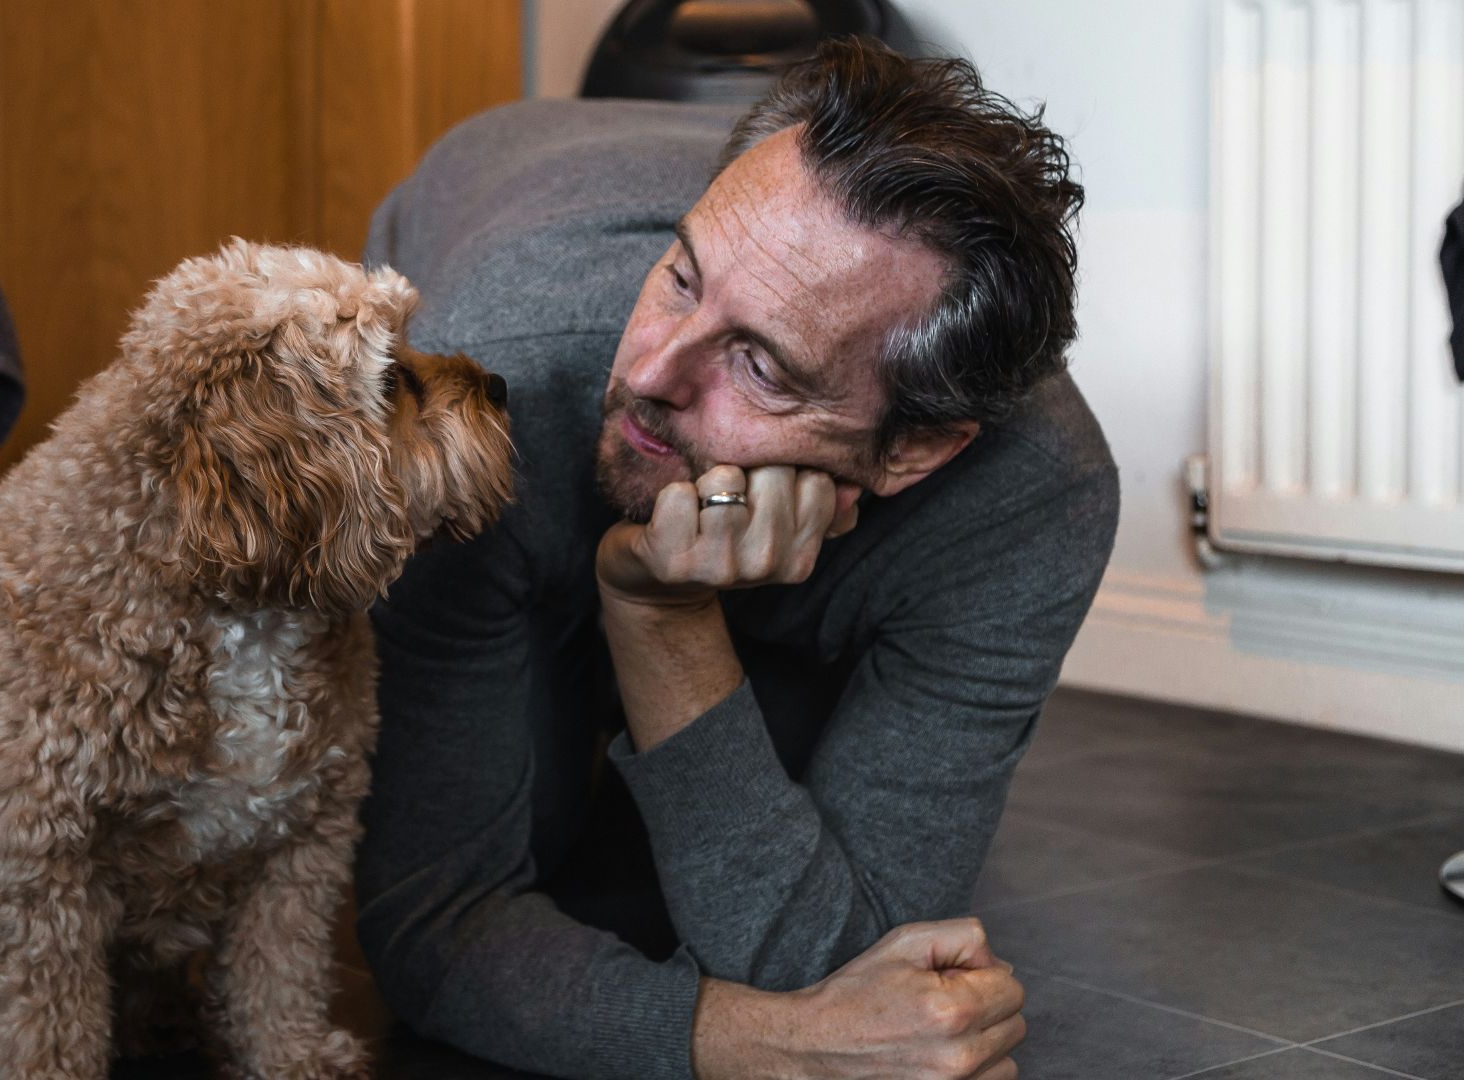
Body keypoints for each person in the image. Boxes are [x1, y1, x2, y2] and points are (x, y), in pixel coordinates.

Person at [353, 38, 1118, 1080]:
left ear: (915, 450)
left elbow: (848, 961)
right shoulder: (496, 395)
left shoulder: (1035, 501)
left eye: (759, 363)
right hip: (493, 193)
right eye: (680, 277)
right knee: (550, 833)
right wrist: (773, 1047)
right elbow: (437, 924)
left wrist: (660, 619)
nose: (654, 371)